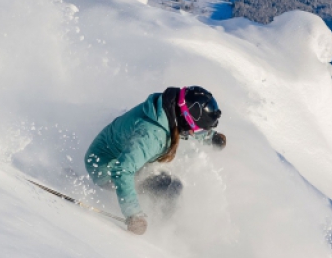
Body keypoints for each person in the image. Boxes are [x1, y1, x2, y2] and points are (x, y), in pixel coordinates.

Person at [84, 86, 226, 235]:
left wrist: (210, 137)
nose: (198, 133)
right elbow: (122, 170)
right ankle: (163, 231)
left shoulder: (168, 107)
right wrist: (134, 215)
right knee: (169, 187)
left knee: (168, 183)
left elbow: (188, 123)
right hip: (105, 168)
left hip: (120, 155)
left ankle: (167, 223)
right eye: (200, 131)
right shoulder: (153, 136)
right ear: (185, 118)